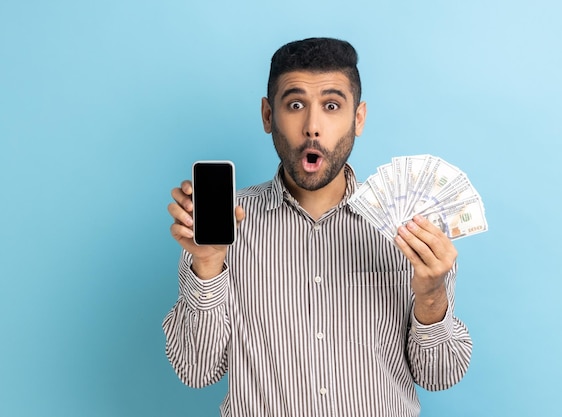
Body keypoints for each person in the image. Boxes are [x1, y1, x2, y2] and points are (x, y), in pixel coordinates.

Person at [163, 37, 472, 417]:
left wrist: (430, 295)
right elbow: (197, 371)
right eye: (295, 105)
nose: (312, 127)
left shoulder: (412, 230)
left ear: (357, 118)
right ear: (267, 116)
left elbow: (439, 375)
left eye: (331, 106)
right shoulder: (219, 227)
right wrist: (208, 267)